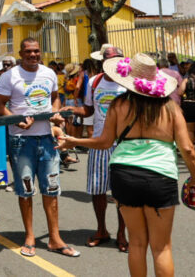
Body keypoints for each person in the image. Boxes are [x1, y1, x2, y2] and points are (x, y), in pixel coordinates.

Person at [57, 53, 195, 277]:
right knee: (161, 247)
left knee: (136, 244)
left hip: (124, 174)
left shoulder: (119, 104)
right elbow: (188, 149)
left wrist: (74, 141)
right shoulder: (170, 108)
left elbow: (105, 142)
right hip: (160, 176)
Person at [0, 38, 78, 258]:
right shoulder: (8, 76)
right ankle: (30, 236)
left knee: (51, 189)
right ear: (21, 53)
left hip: (47, 138)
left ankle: (55, 238)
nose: (33, 55)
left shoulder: (48, 73)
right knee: (25, 190)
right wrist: (16, 120)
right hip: (21, 141)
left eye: (36, 51)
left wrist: (55, 114)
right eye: (28, 52)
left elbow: (55, 98)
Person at [79, 46, 128, 252]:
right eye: (109, 62)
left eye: (117, 61)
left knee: (122, 192)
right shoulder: (95, 81)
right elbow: (89, 109)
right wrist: (71, 111)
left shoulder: (129, 82)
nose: (113, 65)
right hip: (99, 142)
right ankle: (102, 230)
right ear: (102, 63)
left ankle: (121, 233)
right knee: (98, 189)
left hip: (125, 144)